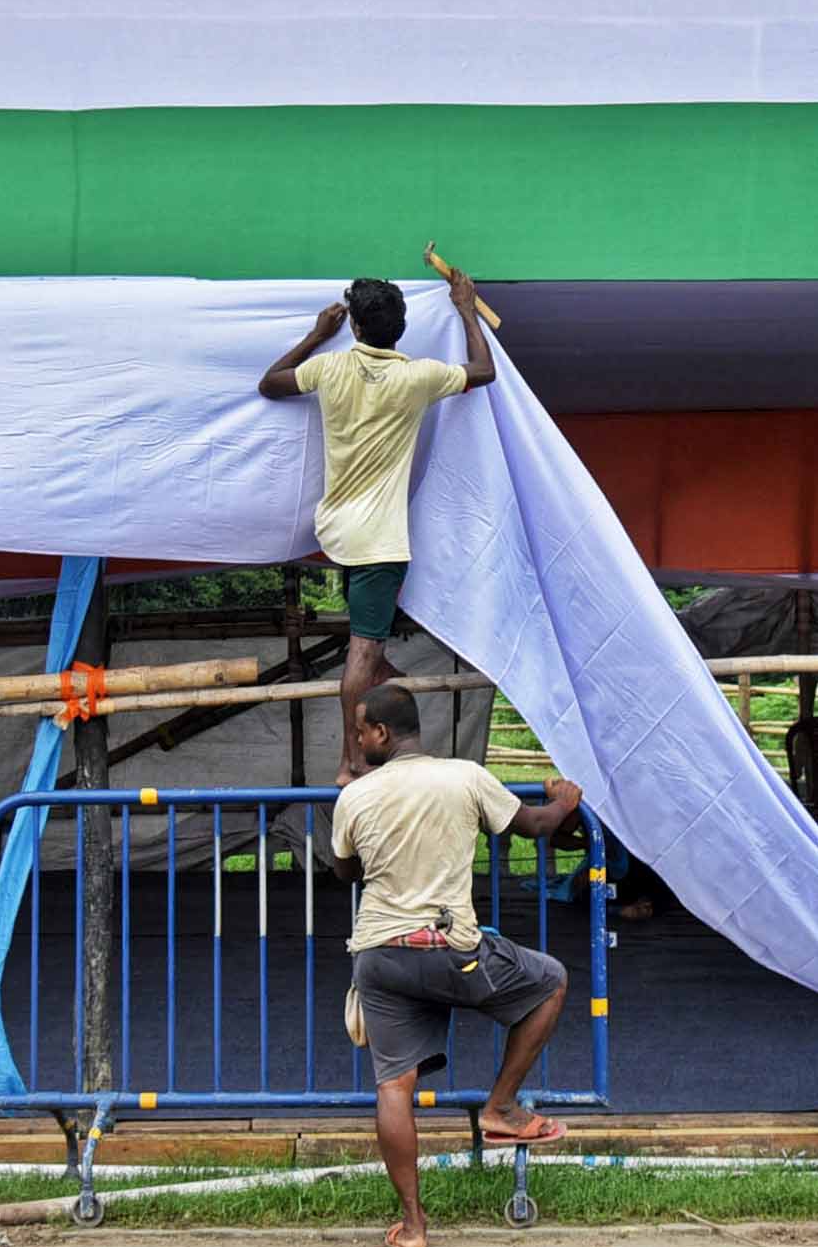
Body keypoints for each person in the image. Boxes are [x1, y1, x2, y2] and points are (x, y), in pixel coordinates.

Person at [332, 683, 582, 1247]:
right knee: (550, 982)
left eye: (360, 730)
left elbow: (346, 874)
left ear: (382, 734)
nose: (357, 740)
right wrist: (565, 800)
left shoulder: (356, 796)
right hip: (450, 948)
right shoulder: (464, 776)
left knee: (394, 1087)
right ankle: (500, 1107)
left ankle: (415, 1227)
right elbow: (537, 827)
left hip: (380, 955)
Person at [258, 266, 495, 786]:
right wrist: (465, 307)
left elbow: (270, 384)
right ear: (401, 330)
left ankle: (386, 710)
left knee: (374, 653)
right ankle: (352, 762)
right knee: (363, 653)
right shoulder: (417, 377)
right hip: (379, 543)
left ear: (356, 329)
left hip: (338, 532)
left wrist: (316, 336)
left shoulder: (331, 368)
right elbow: (484, 370)